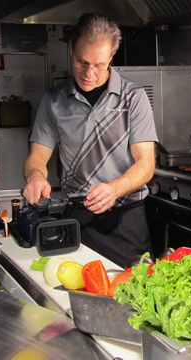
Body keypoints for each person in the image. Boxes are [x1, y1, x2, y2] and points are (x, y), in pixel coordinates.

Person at [23, 12, 158, 268]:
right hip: (76, 220)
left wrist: (115, 188)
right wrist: (35, 177)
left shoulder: (134, 98)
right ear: (71, 47)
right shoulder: (53, 101)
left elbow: (146, 164)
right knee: (74, 295)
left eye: (98, 65)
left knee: (133, 299)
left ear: (111, 57)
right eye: (81, 62)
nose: (89, 74)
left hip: (126, 221)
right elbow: (37, 157)